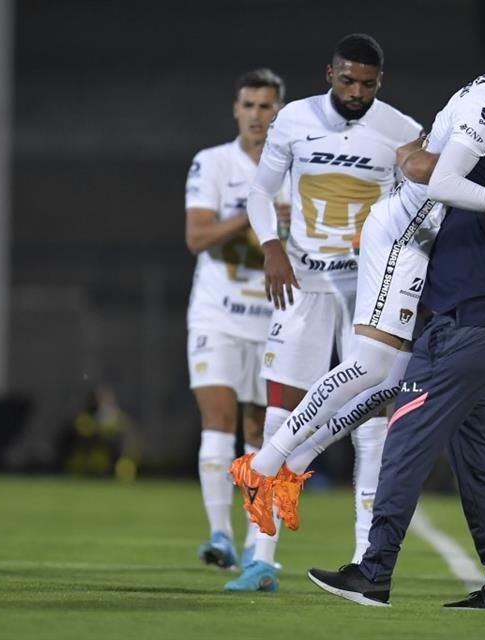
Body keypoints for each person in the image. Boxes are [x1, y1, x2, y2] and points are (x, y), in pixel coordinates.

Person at [230, 36, 485, 545]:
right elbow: (441, 182)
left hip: (425, 242)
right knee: (370, 366)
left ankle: (290, 464)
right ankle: (263, 466)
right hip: (402, 236)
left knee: (392, 377)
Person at [306, 87, 485, 609]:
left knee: (403, 445)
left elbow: (422, 169)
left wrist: (412, 146)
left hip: (465, 334)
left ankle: (375, 572)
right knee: (480, 471)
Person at [228, 34, 422, 589]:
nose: (357, 92)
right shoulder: (292, 119)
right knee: (279, 410)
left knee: (373, 417)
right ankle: (261, 557)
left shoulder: (402, 130)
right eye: (347, 80)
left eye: (367, 83)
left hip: (369, 285)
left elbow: (417, 206)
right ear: (328, 73)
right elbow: (261, 194)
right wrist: (271, 248)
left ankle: (364, 558)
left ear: (379, 83)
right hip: (304, 280)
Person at [184, 68, 286, 582]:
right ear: (235, 109)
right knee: (218, 421)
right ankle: (219, 532)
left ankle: (255, 544)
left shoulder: (293, 167)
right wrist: (255, 216)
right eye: (249, 105)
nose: (256, 115)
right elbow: (197, 236)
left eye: (267, 107)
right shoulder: (213, 162)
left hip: (275, 317)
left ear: (278, 112)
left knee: (260, 434)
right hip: (217, 314)